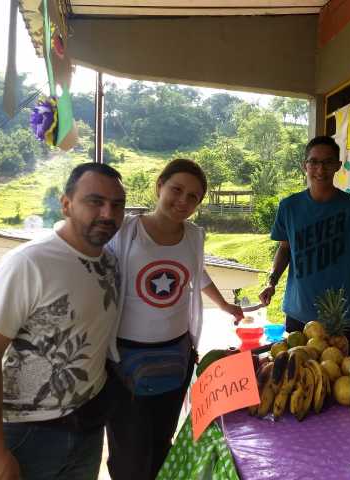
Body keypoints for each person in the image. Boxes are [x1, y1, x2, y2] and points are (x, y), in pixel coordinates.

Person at [0, 163, 126, 480]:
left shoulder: (110, 262)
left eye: (117, 204)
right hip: (28, 432)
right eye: (95, 201)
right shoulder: (27, 262)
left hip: (88, 423)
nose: (108, 214)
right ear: (66, 204)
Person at [105, 158, 243, 480]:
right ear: (159, 187)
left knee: (161, 439)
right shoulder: (125, 230)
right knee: (129, 448)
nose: (183, 201)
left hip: (175, 355)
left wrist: (225, 305)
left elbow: (198, 273)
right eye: (176, 190)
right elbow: (86, 256)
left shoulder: (194, 236)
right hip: (124, 357)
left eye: (193, 196)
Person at [259, 136, 350, 355]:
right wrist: (272, 281)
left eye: (327, 162)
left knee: (340, 382)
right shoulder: (289, 207)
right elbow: (285, 248)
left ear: (338, 166)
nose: (320, 169)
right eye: (314, 162)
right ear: (304, 165)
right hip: (298, 314)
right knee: (300, 380)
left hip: (341, 318)